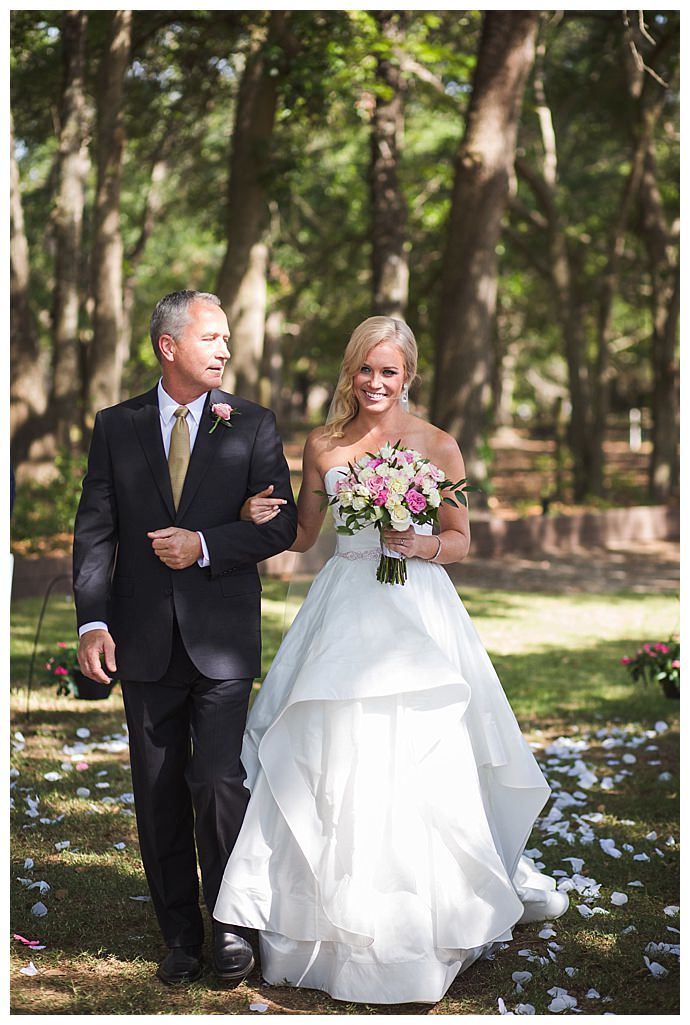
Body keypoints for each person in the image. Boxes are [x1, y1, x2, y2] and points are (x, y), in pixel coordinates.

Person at [213, 316, 568, 1005]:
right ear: (351, 372)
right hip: (342, 600)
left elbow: (462, 539)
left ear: (409, 375)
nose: (375, 383)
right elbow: (307, 533)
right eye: (365, 370)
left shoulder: (438, 446)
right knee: (326, 750)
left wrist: (417, 542)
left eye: (389, 371)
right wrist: (250, 516)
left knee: (419, 752)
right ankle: (312, 916)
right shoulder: (321, 445)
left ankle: (423, 918)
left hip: (416, 607)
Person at [72, 290, 297, 987]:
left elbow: (279, 526)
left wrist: (203, 541)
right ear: (168, 345)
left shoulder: (252, 424)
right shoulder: (117, 425)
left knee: (218, 777)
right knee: (158, 785)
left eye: (227, 338)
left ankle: (231, 924)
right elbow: (96, 530)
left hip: (223, 638)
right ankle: (180, 933)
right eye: (211, 338)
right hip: (141, 640)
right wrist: (92, 619)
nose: (225, 350)